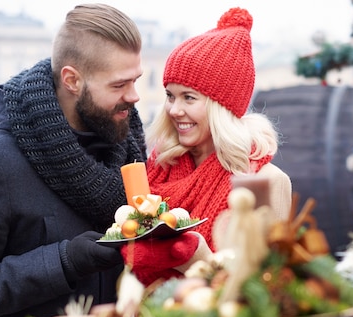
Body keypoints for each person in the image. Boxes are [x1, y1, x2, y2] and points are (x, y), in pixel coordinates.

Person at [0, 4, 147, 317]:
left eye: (136, 80)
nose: (134, 96)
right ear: (72, 80)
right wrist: (64, 261)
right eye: (120, 84)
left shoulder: (128, 146)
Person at [123, 7, 292, 286]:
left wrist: (199, 258)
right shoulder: (158, 169)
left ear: (222, 107)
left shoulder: (266, 182)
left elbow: (266, 289)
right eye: (170, 96)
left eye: (189, 98)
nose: (174, 110)